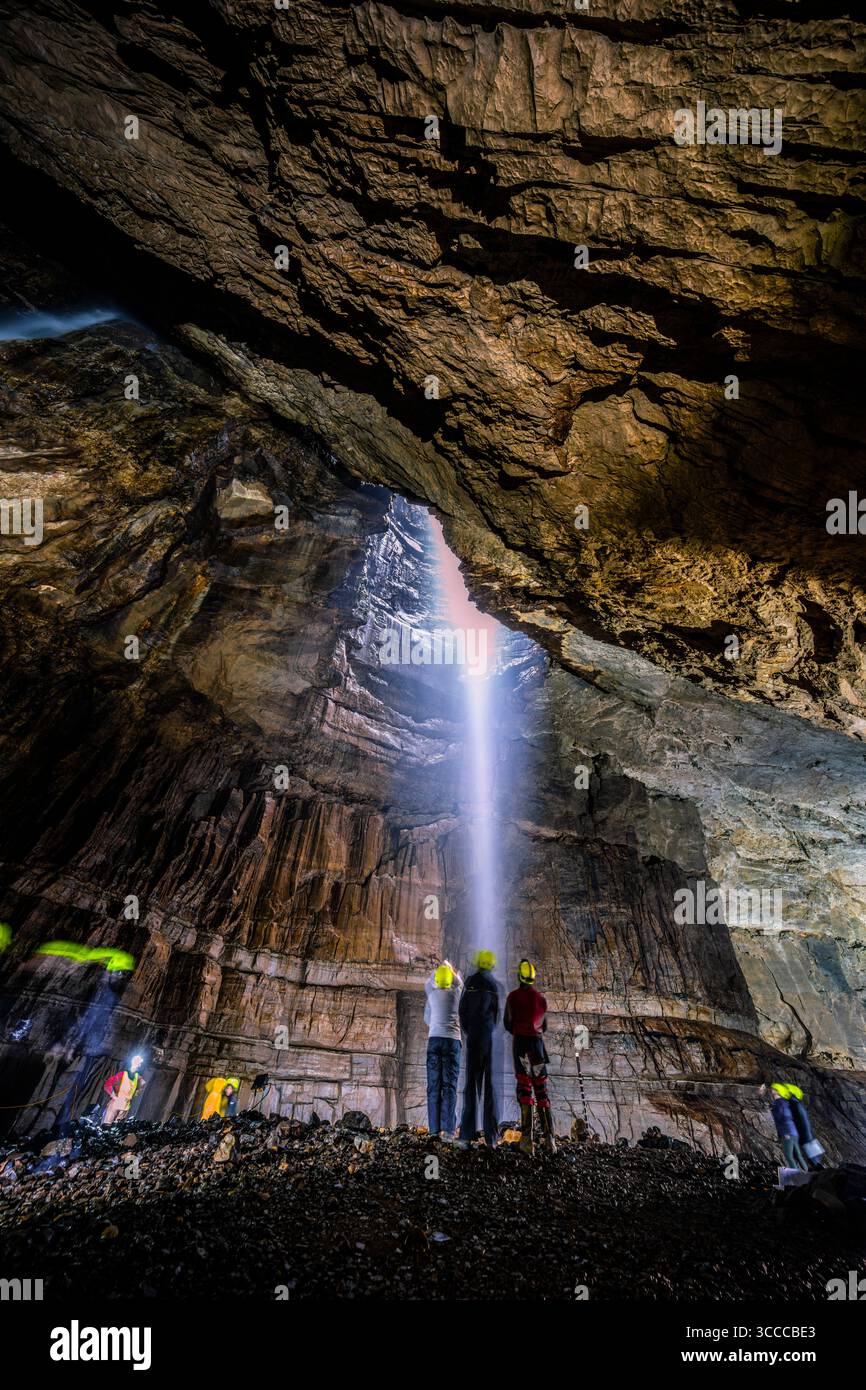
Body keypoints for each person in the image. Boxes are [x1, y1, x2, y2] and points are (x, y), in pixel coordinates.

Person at [504, 959, 555, 1154]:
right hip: (538, 1046)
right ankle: (550, 1141)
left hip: (521, 1045)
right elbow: (545, 1026)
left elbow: (507, 1023)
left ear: (519, 977)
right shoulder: (541, 999)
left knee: (525, 1090)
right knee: (541, 1090)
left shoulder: (513, 997)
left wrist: (519, 1030)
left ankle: (527, 1140)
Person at [457, 949, 501, 1149]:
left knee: (470, 1087)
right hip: (488, 1040)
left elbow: (462, 1011)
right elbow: (498, 1016)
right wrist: (490, 1031)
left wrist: (469, 1031)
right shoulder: (494, 985)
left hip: (473, 1038)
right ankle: (491, 1137)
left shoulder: (469, 982)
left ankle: (466, 1135)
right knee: (489, 1087)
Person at [424, 962, 463, 1139]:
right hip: (452, 1041)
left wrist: (439, 967)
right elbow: (460, 982)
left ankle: (433, 1130)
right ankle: (448, 1131)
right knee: (449, 1086)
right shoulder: (456, 993)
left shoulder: (431, 995)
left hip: (434, 1040)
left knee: (434, 1086)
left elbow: (428, 983)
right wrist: (451, 968)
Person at [764, 1082, 808, 1170]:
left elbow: (783, 1117)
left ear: (777, 1091)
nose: (772, 1091)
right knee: (798, 1155)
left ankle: (796, 1175)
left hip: (787, 1133)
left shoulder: (779, 1103)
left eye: (773, 1089)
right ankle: (807, 1172)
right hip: (794, 1132)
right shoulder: (784, 1102)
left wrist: (785, 1133)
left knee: (789, 1156)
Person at [786, 1083, 826, 1168]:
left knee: (811, 1161)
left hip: (805, 1138)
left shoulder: (794, 1105)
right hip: (807, 1138)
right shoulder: (797, 1104)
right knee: (813, 1161)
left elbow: (798, 1122)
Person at [103, 1053, 146, 1125]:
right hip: (116, 1103)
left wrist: (136, 1092)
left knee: (117, 1128)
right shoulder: (122, 1074)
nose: (139, 1065)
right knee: (107, 1125)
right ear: (133, 1062)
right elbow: (107, 1084)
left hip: (126, 1105)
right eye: (138, 1063)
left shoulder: (137, 1077)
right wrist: (113, 1095)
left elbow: (143, 1084)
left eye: (140, 1063)